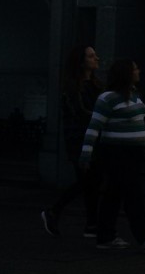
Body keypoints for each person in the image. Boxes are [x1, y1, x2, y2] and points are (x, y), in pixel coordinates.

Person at [79, 60, 145, 253]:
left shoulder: (134, 95)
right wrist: (86, 153)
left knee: (114, 194)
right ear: (126, 74)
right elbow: (95, 126)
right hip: (116, 152)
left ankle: (105, 236)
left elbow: (137, 113)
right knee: (132, 192)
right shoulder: (107, 98)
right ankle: (144, 236)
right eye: (135, 68)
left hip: (133, 153)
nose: (138, 71)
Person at [41, 45, 103, 238]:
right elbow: (80, 113)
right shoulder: (73, 87)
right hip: (78, 139)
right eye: (91, 56)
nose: (96, 59)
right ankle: (55, 212)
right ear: (81, 61)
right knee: (87, 180)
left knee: (91, 181)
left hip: (91, 138)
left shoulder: (94, 85)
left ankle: (90, 224)